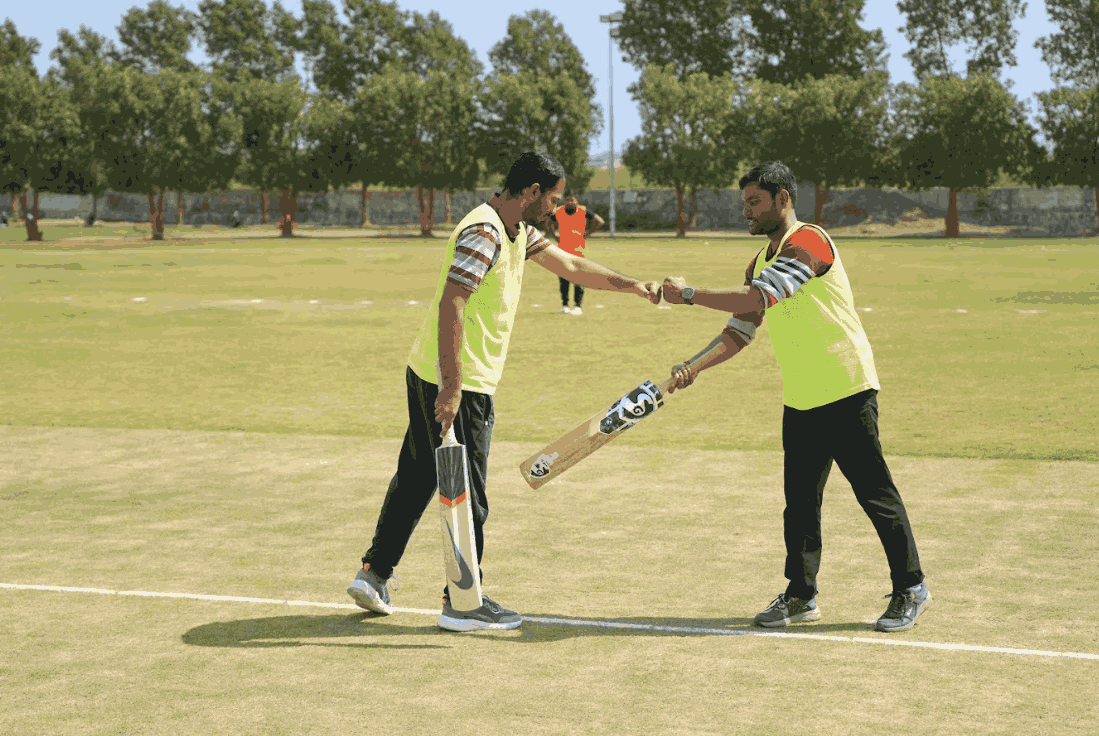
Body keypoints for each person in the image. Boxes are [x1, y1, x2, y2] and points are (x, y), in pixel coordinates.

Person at [348, 151, 662, 632]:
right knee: (467, 491)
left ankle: (374, 573)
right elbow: (454, 302)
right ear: (531, 192)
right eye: (553, 199)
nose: (558, 209)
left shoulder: (519, 230)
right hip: (461, 379)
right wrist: (452, 389)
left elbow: (572, 267)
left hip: (429, 369)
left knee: (417, 476)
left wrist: (632, 285)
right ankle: (464, 602)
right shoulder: (487, 231)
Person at [660, 160, 930, 633]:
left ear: (782, 199)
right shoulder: (759, 259)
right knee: (800, 503)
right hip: (802, 398)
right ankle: (800, 596)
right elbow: (740, 331)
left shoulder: (810, 240)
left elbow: (760, 299)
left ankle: (912, 587)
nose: (746, 211)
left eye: (754, 202)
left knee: (875, 494)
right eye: (743, 202)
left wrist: (687, 295)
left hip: (847, 388)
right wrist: (693, 368)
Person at [547, 189, 605, 315]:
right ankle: (565, 305)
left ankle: (578, 306)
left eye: (572, 199)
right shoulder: (559, 211)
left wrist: (587, 233)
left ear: (576, 200)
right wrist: (554, 235)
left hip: (578, 251)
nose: (569, 202)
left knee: (578, 278)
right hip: (562, 250)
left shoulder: (583, 211)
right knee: (563, 279)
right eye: (567, 199)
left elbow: (600, 221)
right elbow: (548, 223)